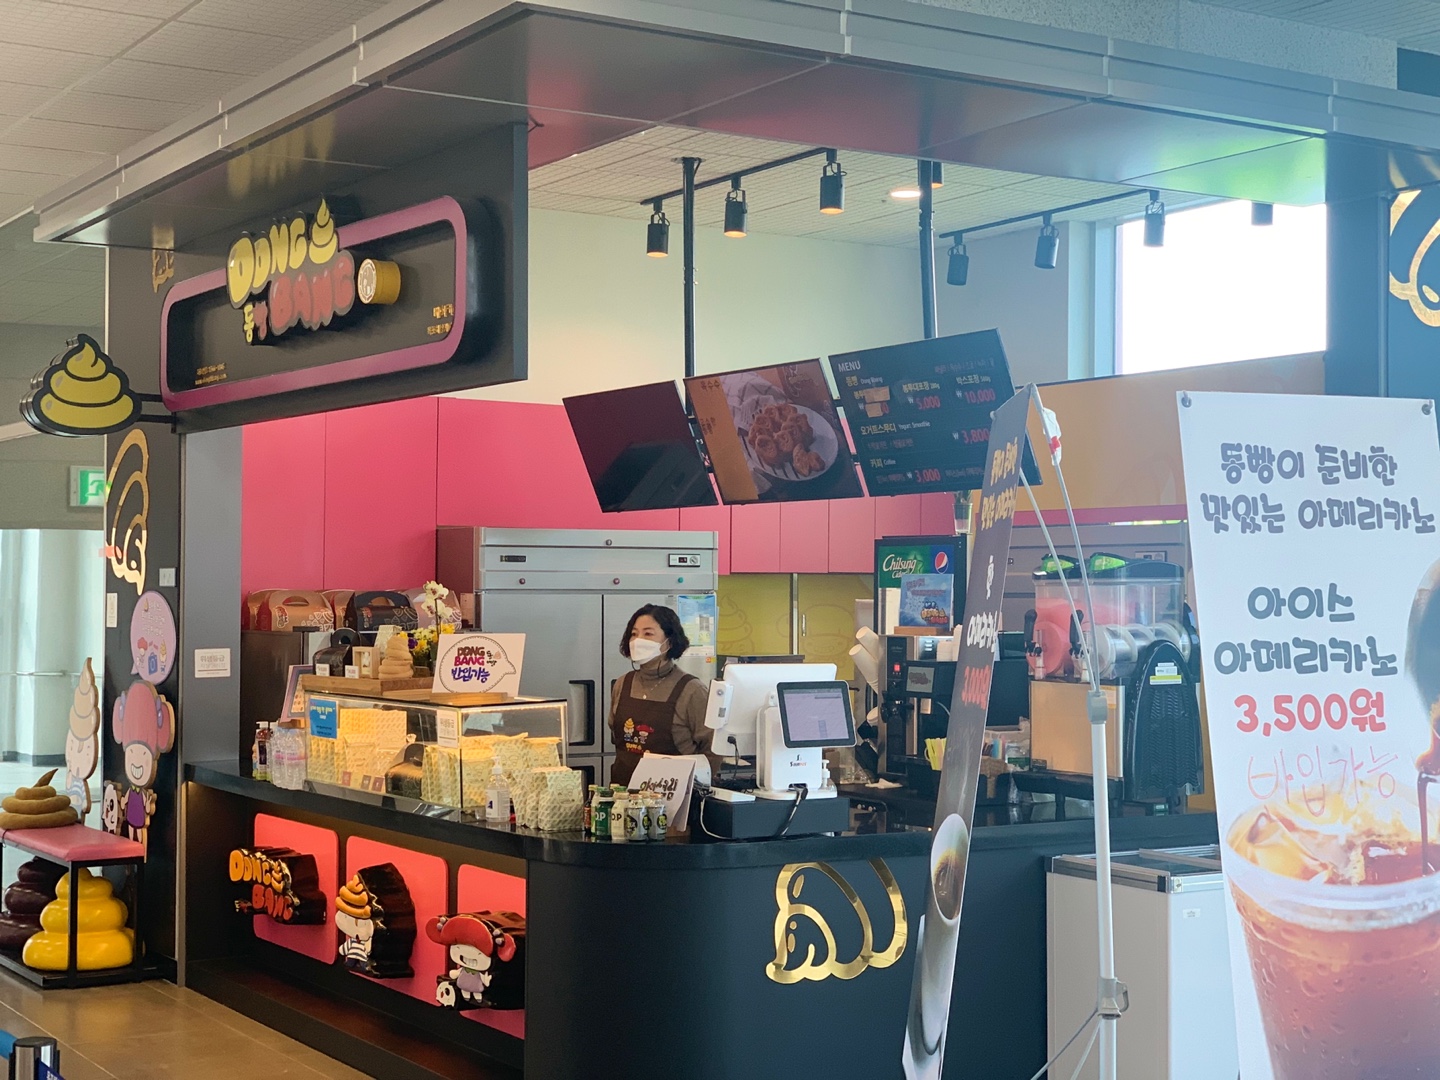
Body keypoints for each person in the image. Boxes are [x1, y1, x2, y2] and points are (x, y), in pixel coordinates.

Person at [609, 604, 713, 787]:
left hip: (673, 797)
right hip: (622, 794)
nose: (638, 640)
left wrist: (698, 789)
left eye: (648, 634)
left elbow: (713, 749)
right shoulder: (622, 684)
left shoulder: (691, 690)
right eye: (634, 634)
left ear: (669, 642)